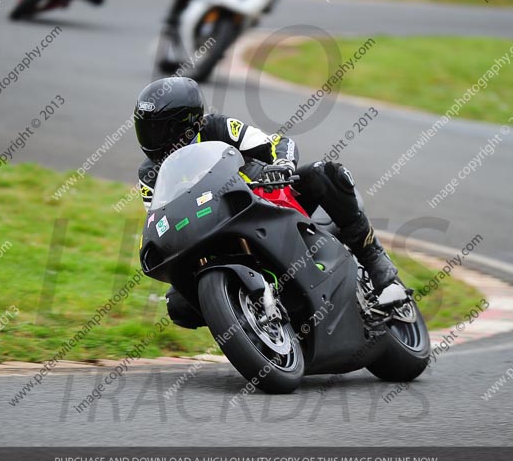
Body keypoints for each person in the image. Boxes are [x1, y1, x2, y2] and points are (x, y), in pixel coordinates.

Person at [133, 77, 406, 317]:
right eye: (145, 128)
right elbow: (159, 216)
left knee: (323, 173)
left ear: (188, 122)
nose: (151, 137)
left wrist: (283, 165)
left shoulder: (217, 127)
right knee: (178, 305)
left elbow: (277, 143)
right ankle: (241, 316)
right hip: (212, 226)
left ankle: (377, 264)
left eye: (159, 128)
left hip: (265, 198)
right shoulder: (149, 173)